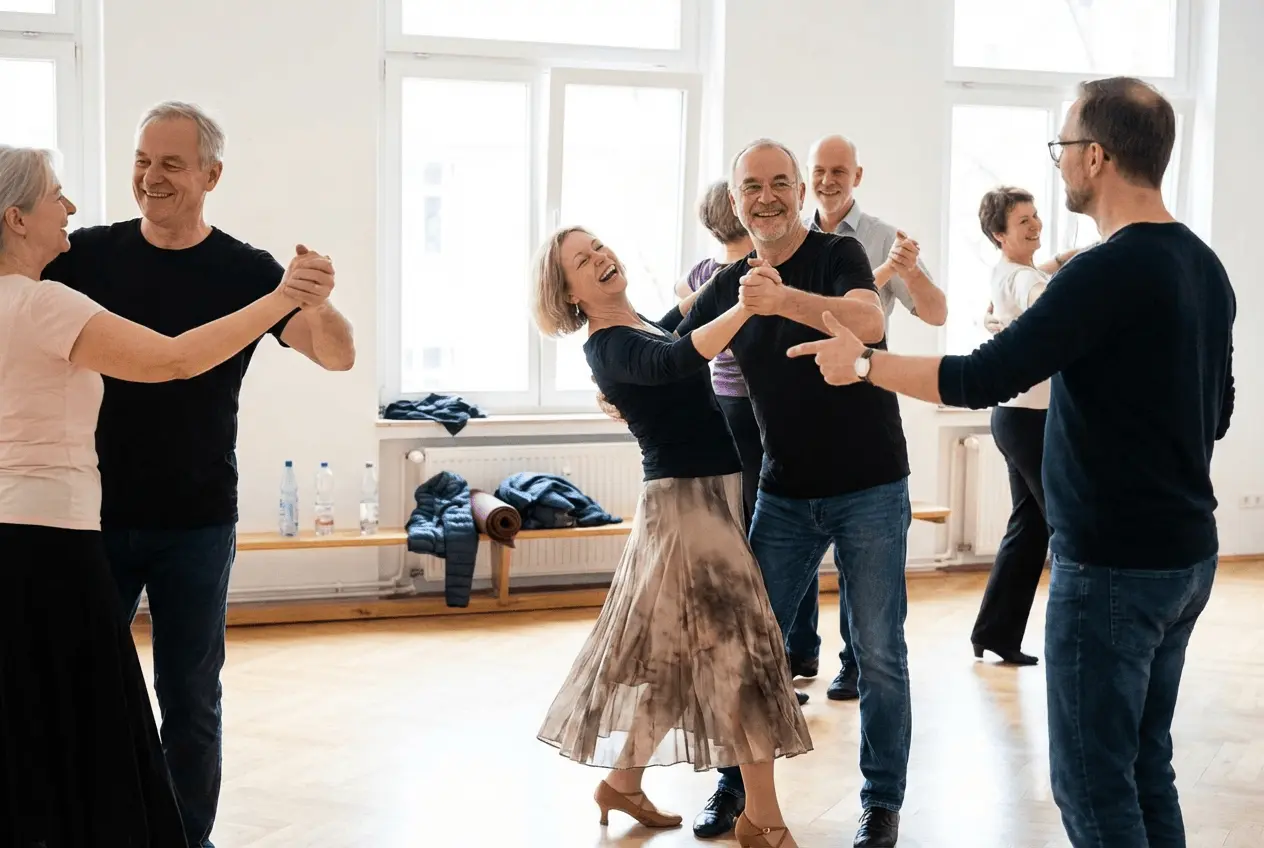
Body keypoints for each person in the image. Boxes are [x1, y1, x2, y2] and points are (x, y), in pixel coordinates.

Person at [787, 77, 1234, 848]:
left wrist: (865, 365)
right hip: (1188, 558)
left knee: (1093, 789)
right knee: (1144, 767)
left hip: (1114, 570)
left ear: (1095, 156)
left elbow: (983, 376)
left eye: (1062, 146)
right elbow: (1218, 414)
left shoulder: (1103, 271)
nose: (1057, 163)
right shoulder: (1204, 265)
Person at [39, 101, 356, 848]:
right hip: (92, 511)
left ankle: (186, 839)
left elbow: (335, 354)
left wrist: (317, 296)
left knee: (189, 698)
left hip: (198, 519)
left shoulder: (247, 271)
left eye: (171, 164)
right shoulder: (86, 254)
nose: (151, 177)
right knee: (86, 691)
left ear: (211, 175)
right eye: (143, 160)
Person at [531, 225, 812, 848]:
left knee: (668, 656)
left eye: (600, 246)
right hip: (687, 512)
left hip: (702, 500)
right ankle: (763, 820)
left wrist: (742, 268)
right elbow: (675, 358)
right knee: (743, 655)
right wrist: (746, 304)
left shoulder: (636, 324)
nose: (602, 257)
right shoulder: (607, 347)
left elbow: (683, 317)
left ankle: (624, 783)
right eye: (583, 261)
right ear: (570, 292)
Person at [685, 138, 910, 848]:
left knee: (878, 653)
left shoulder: (837, 254)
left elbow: (870, 322)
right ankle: (735, 789)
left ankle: (881, 802)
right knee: (746, 650)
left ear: (800, 191)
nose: (767, 196)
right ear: (735, 198)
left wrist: (783, 299)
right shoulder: (729, 286)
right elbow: (670, 349)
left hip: (871, 486)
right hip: (783, 493)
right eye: (752, 186)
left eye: (781, 182)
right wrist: (614, 381)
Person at [790, 133, 948, 701]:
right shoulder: (792, 237)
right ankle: (795, 654)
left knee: (866, 563)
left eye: (840, 170)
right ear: (808, 179)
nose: (829, 180)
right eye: (820, 171)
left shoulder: (884, 238)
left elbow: (934, 312)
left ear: (858, 175)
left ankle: (855, 662)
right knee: (794, 545)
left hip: (862, 408)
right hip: (797, 413)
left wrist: (910, 271)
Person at [674, 179, 761, 527]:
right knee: (760, 501)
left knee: (733, 500)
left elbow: (680, 291)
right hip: (754, 402)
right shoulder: (756, 268)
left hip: (721, 399)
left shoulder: (702, 272)